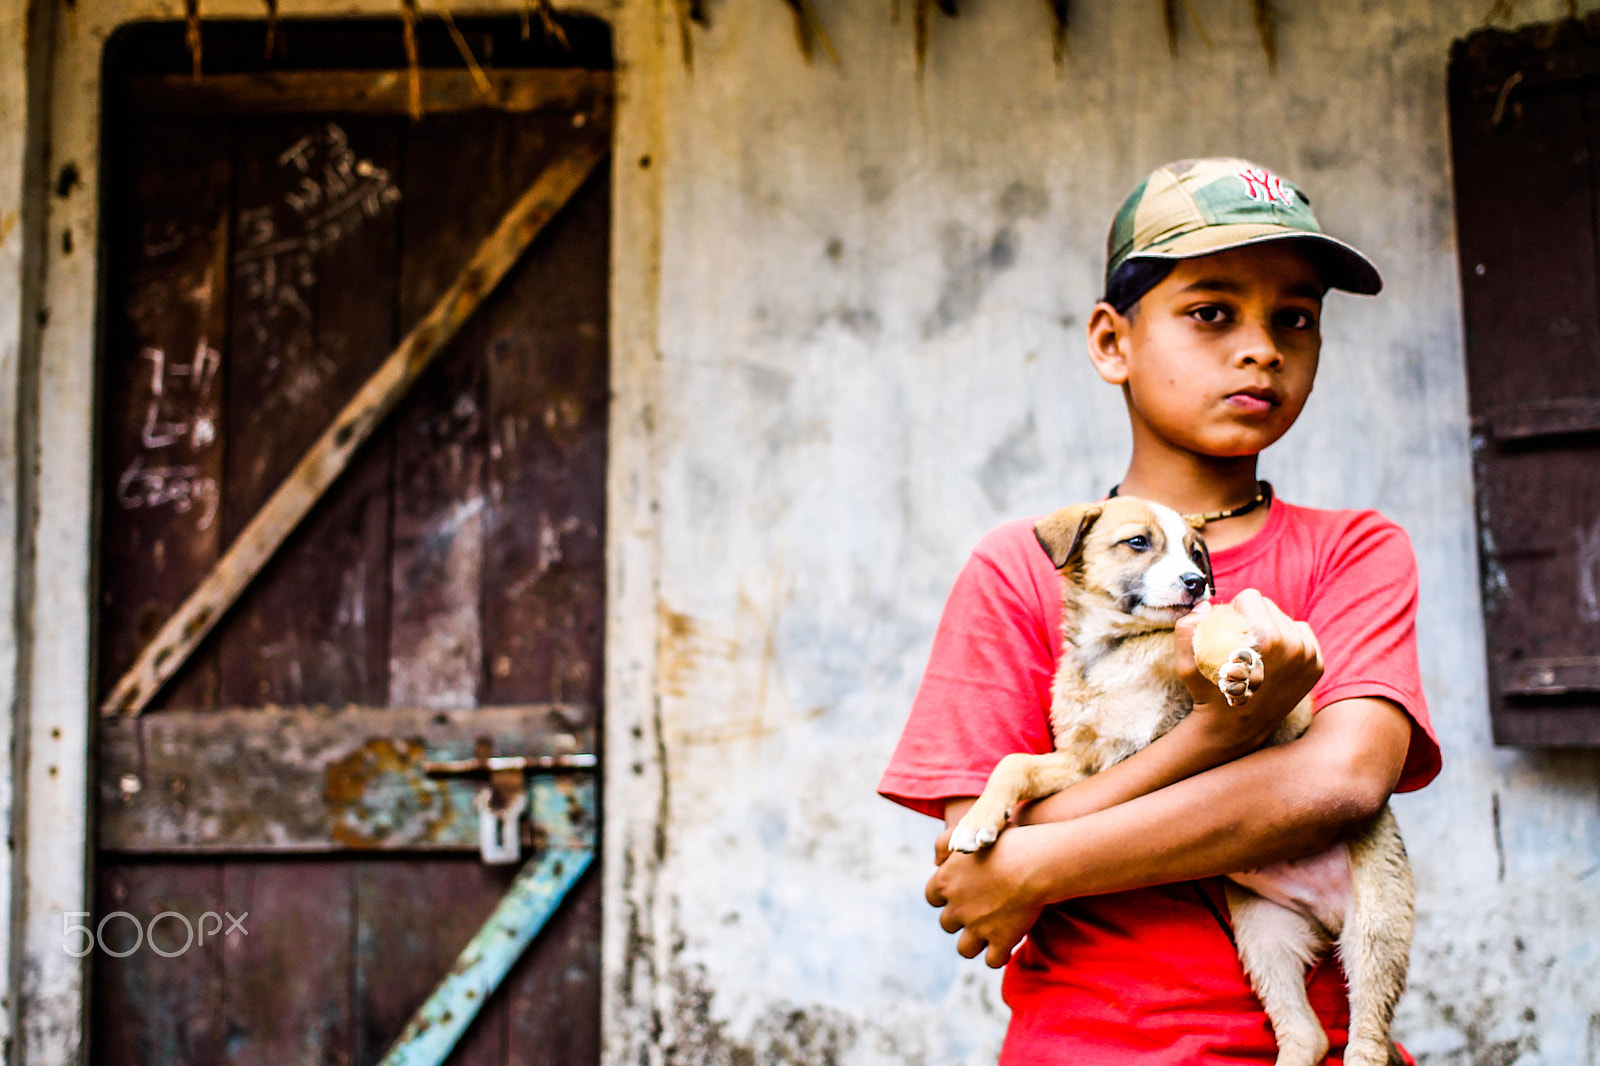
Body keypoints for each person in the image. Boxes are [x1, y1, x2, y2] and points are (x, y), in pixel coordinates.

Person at [877, 158, 1442, 1065]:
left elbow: (1339, 784)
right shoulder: (1024, 566)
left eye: (1295, 317)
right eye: (1212, 311)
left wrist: (1045, 864)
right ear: (1112, 342)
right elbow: (981, 859)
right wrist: (1223, 741)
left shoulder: (1357, 549)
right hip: (1089, 1046)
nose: (1261, 347)